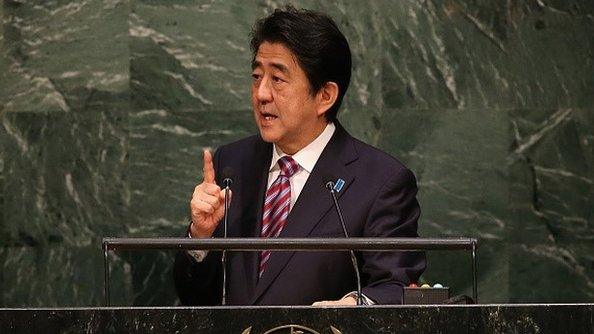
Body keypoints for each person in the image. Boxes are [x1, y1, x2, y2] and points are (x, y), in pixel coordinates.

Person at [174, 6, 425, 306]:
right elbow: (194, 297)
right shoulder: (233, 163)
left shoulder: (381, 181)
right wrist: (200, 238)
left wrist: (355, 306)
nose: (261, 94)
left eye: (277, 79)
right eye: (256, 76)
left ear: (325, 96)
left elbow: (397, 287)